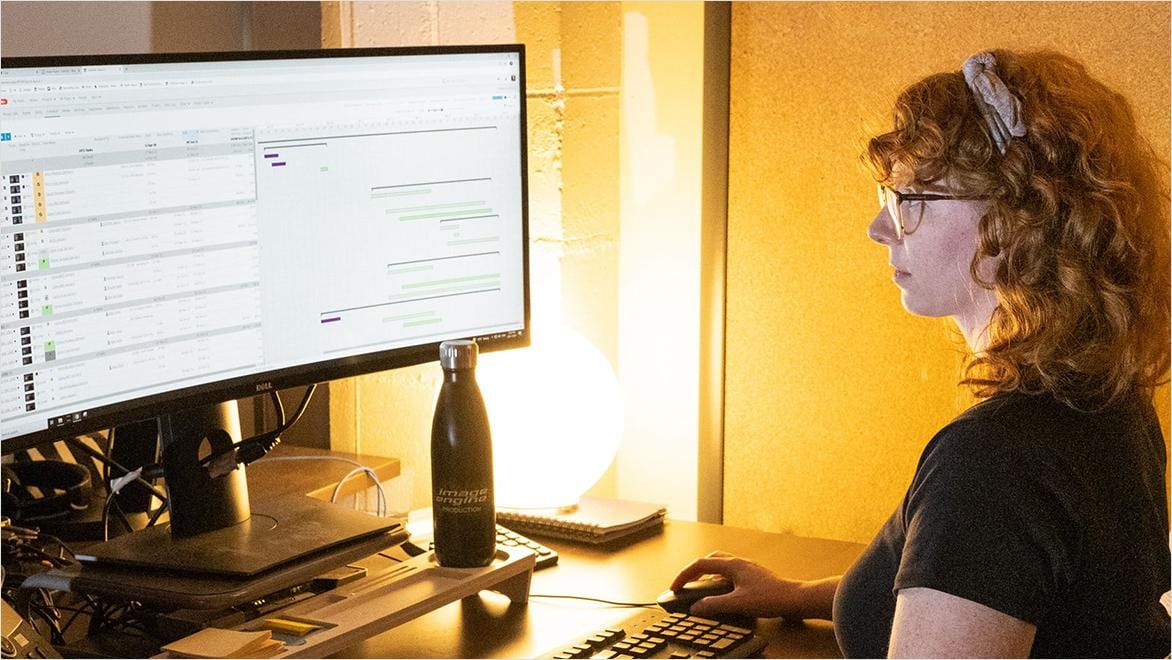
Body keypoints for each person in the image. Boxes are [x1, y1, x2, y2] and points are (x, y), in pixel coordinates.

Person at [671, 50, 1171, 658]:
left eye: (908, 200)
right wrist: (800, 594)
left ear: (1016, 218)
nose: (879, 229)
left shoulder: (992, 460)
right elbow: (995, 581)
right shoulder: (1101, 403)